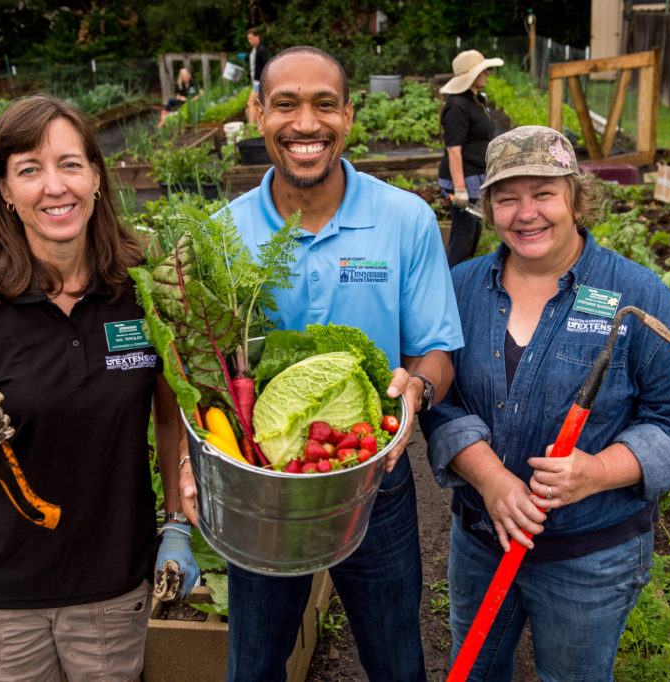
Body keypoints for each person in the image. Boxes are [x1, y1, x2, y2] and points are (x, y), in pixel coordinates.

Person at [189, 46, 463, 681]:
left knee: (396, 660)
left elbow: (437, 350)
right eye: (285, 103)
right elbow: (199, 373)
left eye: (324, 105)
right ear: (257, 112)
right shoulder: (219, 236)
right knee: (254, 665)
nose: (305, 124)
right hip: (264, 480)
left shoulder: (405, 220)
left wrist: (417, 385)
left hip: (372, 474)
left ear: (349, 116)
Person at [0, 95, 199, 680]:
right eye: (29, 169)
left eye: (70, 163)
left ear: (95, 176)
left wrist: (175, 525)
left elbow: (171, 420)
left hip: (113, 580)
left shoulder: (140, 288)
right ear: (3, 193)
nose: (54, 186)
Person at [419, 126, 670, 681]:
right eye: (507, 197)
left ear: (577, 197)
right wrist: (491, 480)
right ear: (489, 208)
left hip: (591, 557)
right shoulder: (459, 288)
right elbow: (438, 397)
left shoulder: (637, 294)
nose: (525, 213)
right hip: (481, 544)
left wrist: (599, 470)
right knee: (475, 670)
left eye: (544, 194)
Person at [438, 49, 503, 267]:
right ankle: (450, 281)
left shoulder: (475, 100)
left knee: (473, 232)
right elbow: (454, 150)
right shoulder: (457, 106)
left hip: (475, 173)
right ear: (471, 76)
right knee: (463, 237)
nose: (488, 74)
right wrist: (460, 189)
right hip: (463, 178)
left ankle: (460, 276)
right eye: (483, 70)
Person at [245, 27, 269, 125]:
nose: (249, 41)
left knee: (250, 103)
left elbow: (266, 65)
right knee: (257, 105)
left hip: (259, 81)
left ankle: (251, 127)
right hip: (255, 80)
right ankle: (259, 125)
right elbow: (254, 63)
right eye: (248, 39)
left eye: (251, 38)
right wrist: (246, 58)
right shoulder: (254, 50)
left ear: (257, 37)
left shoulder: (261, 50)